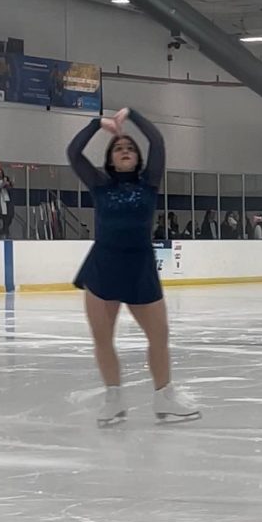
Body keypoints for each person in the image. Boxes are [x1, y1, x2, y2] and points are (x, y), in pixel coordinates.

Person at [66, 106, 200, 426]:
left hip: (140, 267)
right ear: (110, 160)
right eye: (118, 148)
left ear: (138, 159)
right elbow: (73, 152)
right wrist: (98, 124)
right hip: (103, 266)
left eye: (129, 148)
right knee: (102, 338)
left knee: (159, 335)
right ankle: (114, 399)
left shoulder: (149, 183)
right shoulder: (99, 183)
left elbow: (157, 142)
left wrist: (133, 115)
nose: (124, 150)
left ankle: (164, 397)